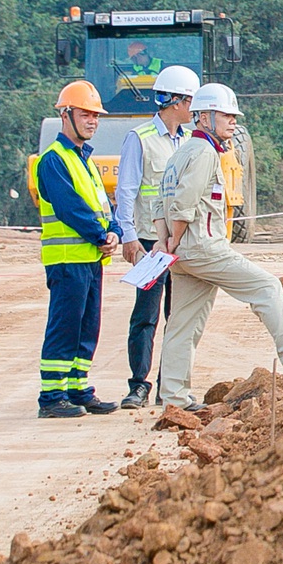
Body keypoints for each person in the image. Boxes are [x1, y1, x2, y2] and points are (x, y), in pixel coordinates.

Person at [153, 84, 283, 409]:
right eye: (226, 115)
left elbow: (157, 202)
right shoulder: (204, 153)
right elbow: (184, 203)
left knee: (182, 323)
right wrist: (175, 239)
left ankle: (174, 398)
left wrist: (166, 243)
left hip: (182, 253)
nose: (232, 122)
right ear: (204, 117)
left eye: (233, 116)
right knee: (267, 287)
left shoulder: (180, 154)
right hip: (202, 246)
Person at [112, 64, 197, 409]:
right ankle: (139, 384)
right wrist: (129, 237)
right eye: (191, 101)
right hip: (151, 242)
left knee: (178, 317)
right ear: (177, 102)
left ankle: (169, 385)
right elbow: (127, 190)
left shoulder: (192, 142)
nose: (194, 109)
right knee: (145, 315)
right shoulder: (140, 138)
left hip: (181, 243)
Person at [35, 80, 122, 418]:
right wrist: (102, 234)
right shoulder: (53, 160)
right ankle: (51, 396)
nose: (92, 121)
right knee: (65, 326)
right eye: (85, 114)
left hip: (89, 258)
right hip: (68, 260)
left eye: (96, 116)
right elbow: (71, 208)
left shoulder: (84, 159)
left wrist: (113, 230)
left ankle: (77, 387)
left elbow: (102, 204)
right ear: (65, 114)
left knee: (88, 326)